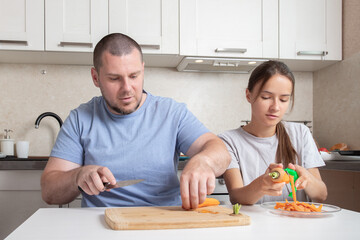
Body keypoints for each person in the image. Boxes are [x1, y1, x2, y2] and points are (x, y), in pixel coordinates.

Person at [41, 33, 230, 209]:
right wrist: (77, 176)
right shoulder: (80, 119)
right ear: (95, 77)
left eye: (134, 76)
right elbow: (49, 192)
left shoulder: (172, 113)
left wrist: (205, 161)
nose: (127, 88)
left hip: (165, 221)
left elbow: (220, 150)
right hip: (102, 225)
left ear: (143, 70)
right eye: (114, 78)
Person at [218, 60, 327, 205]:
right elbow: (237, 197)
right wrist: (261, 185)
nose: (275, 107)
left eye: (283, 99)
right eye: (266, 97)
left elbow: (321, 195)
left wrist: (308, 179)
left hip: (298, 222)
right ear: (249, 95)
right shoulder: (228, 141)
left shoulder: (301, 133)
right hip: (254, 225)